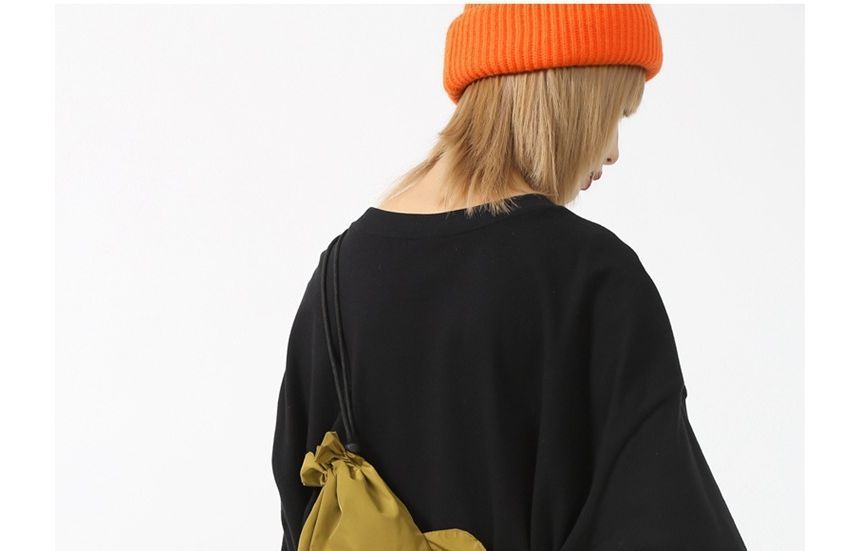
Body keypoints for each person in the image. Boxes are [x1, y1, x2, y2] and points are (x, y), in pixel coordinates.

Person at [272, 4, 747, 550]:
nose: (614, 150)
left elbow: (302, 519)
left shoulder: (336, 279)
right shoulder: (592, 281)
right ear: (570, 92)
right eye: (614, 112)